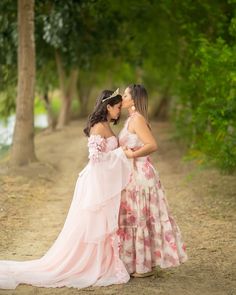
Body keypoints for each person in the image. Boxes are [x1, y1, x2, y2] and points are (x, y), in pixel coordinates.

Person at [0, 89, 131, 289]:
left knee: (101, 225)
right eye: (118, 107)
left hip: (103, 182)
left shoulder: (105, 125)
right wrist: (121, 153)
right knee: (94, 226)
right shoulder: (98, 127)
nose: (120, 111)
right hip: (96, 183)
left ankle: (103, 262)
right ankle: (93, 265)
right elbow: (96, 160)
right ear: (108, 106)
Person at [118, 84, 188, 277]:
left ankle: (142, 266)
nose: (122, 98)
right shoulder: (132, 119)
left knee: (139, 217)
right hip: (134, 174)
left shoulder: (137, 119)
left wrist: (132, 155)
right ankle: (139, 263)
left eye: (125, 95)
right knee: (136, 217)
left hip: (140, 175)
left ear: (134, 99)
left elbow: (152, 145)